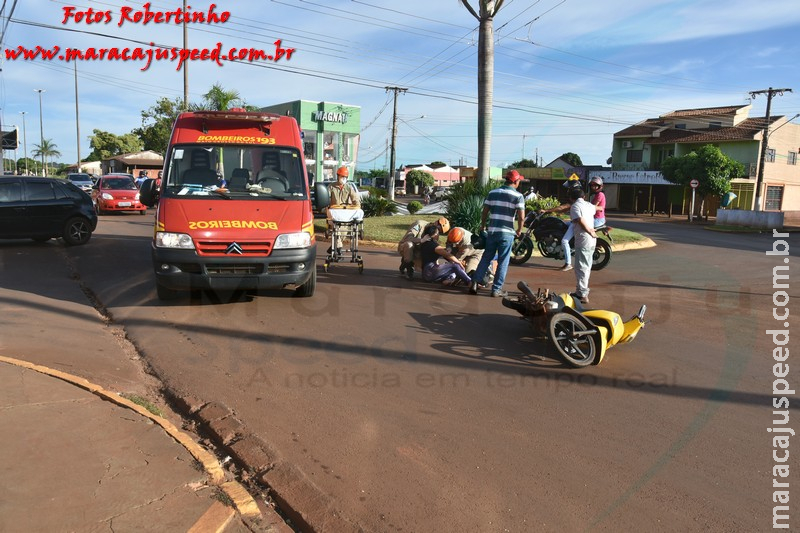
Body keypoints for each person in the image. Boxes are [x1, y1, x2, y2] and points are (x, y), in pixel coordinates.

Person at [468, 170, 526, 298]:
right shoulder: (518, 196)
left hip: (492, 232)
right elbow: (521, 216)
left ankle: (475, 282)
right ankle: (496, 289)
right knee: (503, 261)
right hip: (507, 233)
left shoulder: (492, 193)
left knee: (486, 258)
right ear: (515, 181)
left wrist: (483, 226)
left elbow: (485, 211)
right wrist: (519, 230)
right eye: (519, 181)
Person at [540, 178, 583, 272]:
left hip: (576, 223)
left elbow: (564, 207)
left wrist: (547, 211)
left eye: (569, 188)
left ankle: (568, 263)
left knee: (564, 241)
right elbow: (565, 209)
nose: (567, 190)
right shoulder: (579, 198)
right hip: (574, 221)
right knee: (560, 223)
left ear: (573, 189)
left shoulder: (576, 199)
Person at [568, 187, 597, 305]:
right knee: (586, 266)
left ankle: (582, 294)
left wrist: (589, 230)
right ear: (583, 197)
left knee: (581, 267)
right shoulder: (589, 205)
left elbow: (580, 220)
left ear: (571, 198)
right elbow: (596, 209)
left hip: (584, 239)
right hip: (591, 240)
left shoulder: (575, 206)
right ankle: (581, 291)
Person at [327, 166, 361, 255]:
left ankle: (334, 246)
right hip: (333, 213)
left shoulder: (349, 188)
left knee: (344, 232)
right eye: (342, 176)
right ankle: (338, 248)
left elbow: (355, 199)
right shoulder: (331, 187)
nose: (343, 179)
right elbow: (325, 199)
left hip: (345, 213)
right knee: (336, 229)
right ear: (337, 176)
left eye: (345, 177)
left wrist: (357, 206)